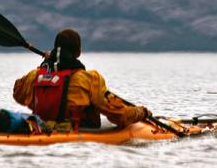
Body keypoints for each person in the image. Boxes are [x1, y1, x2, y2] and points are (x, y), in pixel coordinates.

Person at [12, 28, 151, 130]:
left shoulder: (35, 76)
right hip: (77, 132)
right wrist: (142, 112)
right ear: (78, 53)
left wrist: (45, 65)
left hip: (42, 127)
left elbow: (17, 94)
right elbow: (120, 116)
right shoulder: (89, 79)